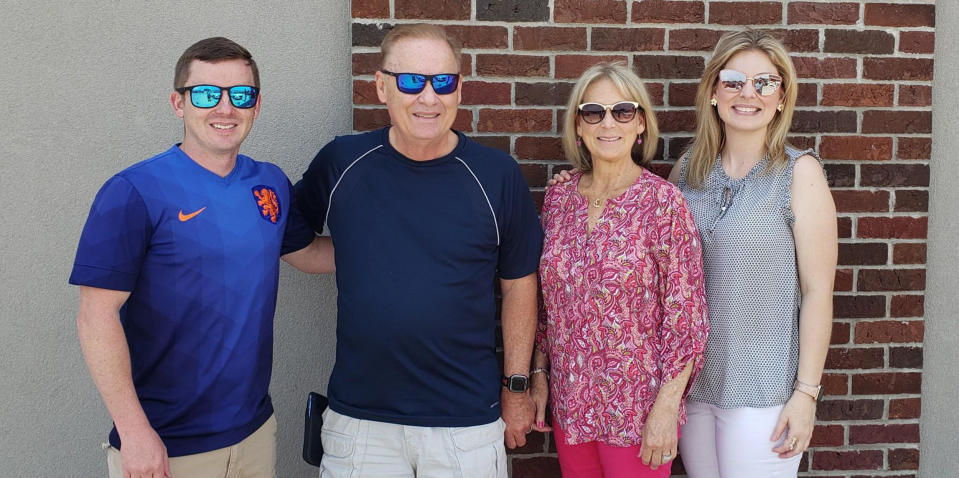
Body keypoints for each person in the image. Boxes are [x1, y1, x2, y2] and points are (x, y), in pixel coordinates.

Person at [70, 37, 332, 478]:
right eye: (207, 94)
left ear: (257, 104)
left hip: (253, 432)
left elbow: (309, 255)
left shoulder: (269, 184)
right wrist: (135, 433)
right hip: (165, 444)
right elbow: (96, 316)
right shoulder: (133, 191)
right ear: (178, 103)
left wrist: (406, 246)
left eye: (240, 95)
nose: (225, 108)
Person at [292, 24, 543, 477]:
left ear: (460, 88)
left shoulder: (497, 175)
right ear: (381, 86)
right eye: (411, 81)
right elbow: (293, 239)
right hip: (361, 422)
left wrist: (516, 387)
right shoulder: (342, 163)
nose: (428, 97)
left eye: (442, 82)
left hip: (465, 423)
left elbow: (520, 284)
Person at [669, 29, 837, 477]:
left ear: (782, 97)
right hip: (693, 384)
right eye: (734, 80)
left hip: (764, 391)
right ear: (712, 93)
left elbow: (818, 293)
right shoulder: (686, 170)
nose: (749, 93)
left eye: (765, 82)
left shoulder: (800, 173)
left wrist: (805, 394)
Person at [531, 62, 709, 478]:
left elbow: (687, 318)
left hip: (637, 410)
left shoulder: (663, 204)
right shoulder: (559, 200)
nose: (607, 122)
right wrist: (540, 375)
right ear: (578, 126)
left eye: (622, 111)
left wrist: (667, 408)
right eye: (593, 111)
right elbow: (547, 306)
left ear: (640, 123)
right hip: (572, 404)